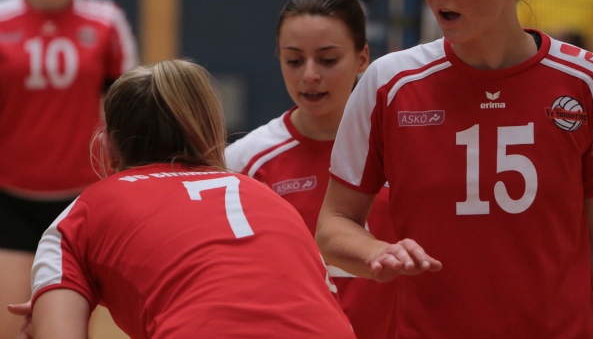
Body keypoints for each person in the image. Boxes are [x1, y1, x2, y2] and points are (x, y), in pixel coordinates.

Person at [315, 0, 593, 338]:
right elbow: (334, 223)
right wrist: (376, 251)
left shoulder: (592, 84)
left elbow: (591, 245)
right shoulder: (390, 83)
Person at [24, 59, 356, 339]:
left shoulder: (86, 210)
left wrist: (51, 304)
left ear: (108, 146)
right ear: (208, 132)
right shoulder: (263, 194)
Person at [225, 0, 397, 339]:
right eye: (294, 60)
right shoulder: (244, 162)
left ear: (362, 58)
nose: (310, 75)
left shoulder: (402, 147)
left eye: (328, 59)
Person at [0, 0, 138, 339]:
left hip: (81, 202)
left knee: (66, 331)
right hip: (10, 200)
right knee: (9, 326)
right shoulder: (2, 20)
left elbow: (127, 113)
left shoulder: (106, 22)